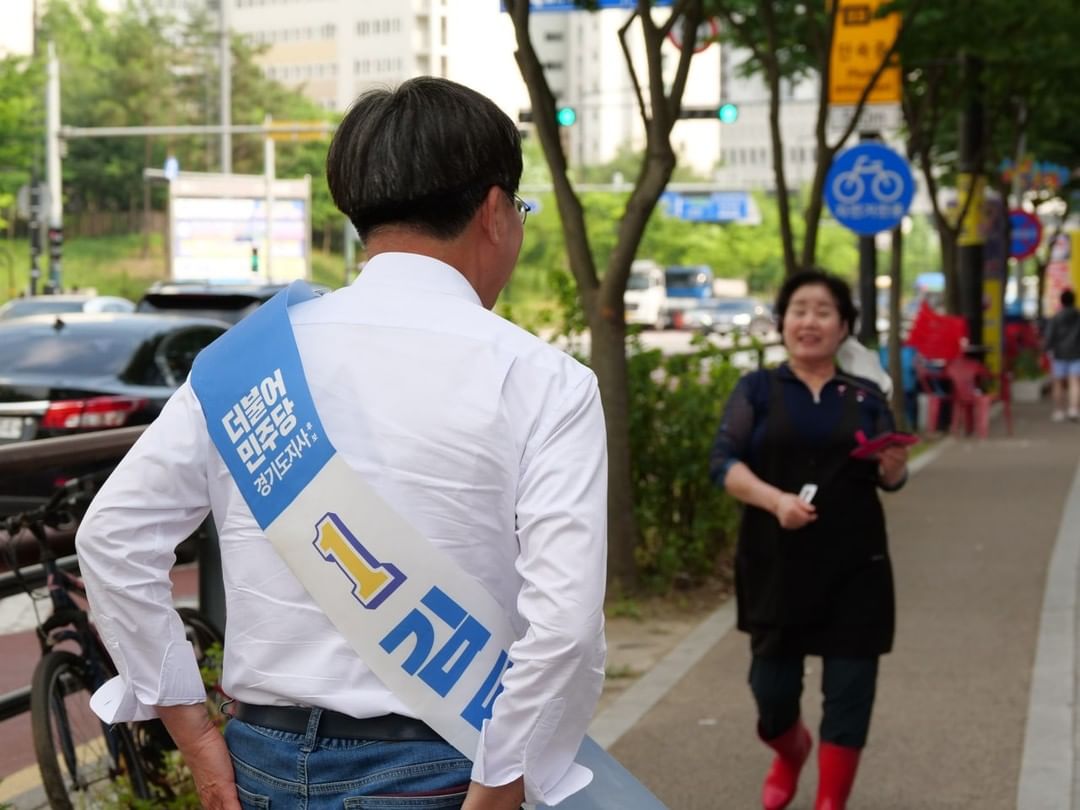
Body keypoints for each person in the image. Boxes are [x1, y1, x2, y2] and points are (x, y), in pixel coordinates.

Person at [76, 77, 608, 810]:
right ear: (493, 211)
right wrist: (500, 784)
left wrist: (194, 736)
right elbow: (565, 626)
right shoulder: (544, 379)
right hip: (444, 772)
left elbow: (111, 538)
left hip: (257, 765)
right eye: (519, 210)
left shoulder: (247, 364)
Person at [708, 269, 909, 810]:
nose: (810, 321)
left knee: (850, 693)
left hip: (857, 564)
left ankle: (830, 802)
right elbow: (724, 462)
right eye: (799, 310)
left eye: (824, 311)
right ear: (782, 322)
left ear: (844, 327)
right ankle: (790, 748)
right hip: (776, 563)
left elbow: (890, 478)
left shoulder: (867, 396)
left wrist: (893, 468)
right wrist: (776, 501)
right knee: (771, 692)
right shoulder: (757, 390)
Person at [1043, 288, 1080, 421]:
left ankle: (1059, 411)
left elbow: (1049, 336)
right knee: (1075, 382)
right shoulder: (1078, 316)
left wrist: (1047, 349)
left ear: (1061, 301)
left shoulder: (1056, 317)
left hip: (1059, 353)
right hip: (1077, 353)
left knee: (1058, 382)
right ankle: (1073, 409)